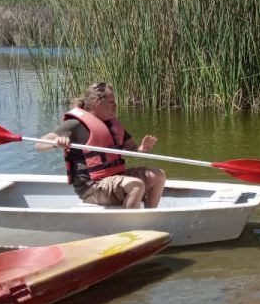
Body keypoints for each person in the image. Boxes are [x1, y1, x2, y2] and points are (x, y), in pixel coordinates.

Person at [35, 82, 167, 209]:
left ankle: (149, 215)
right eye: (111, 102)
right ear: (95, 102)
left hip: (114, 178)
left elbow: (133, 149)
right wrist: (57, 142)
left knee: (158, 175)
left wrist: (142, 149)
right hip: (91, 186)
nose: (115, 105)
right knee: (136, 185)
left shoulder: (112, 125)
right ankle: (128, 227)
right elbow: (39, 145)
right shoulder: (75, 124)